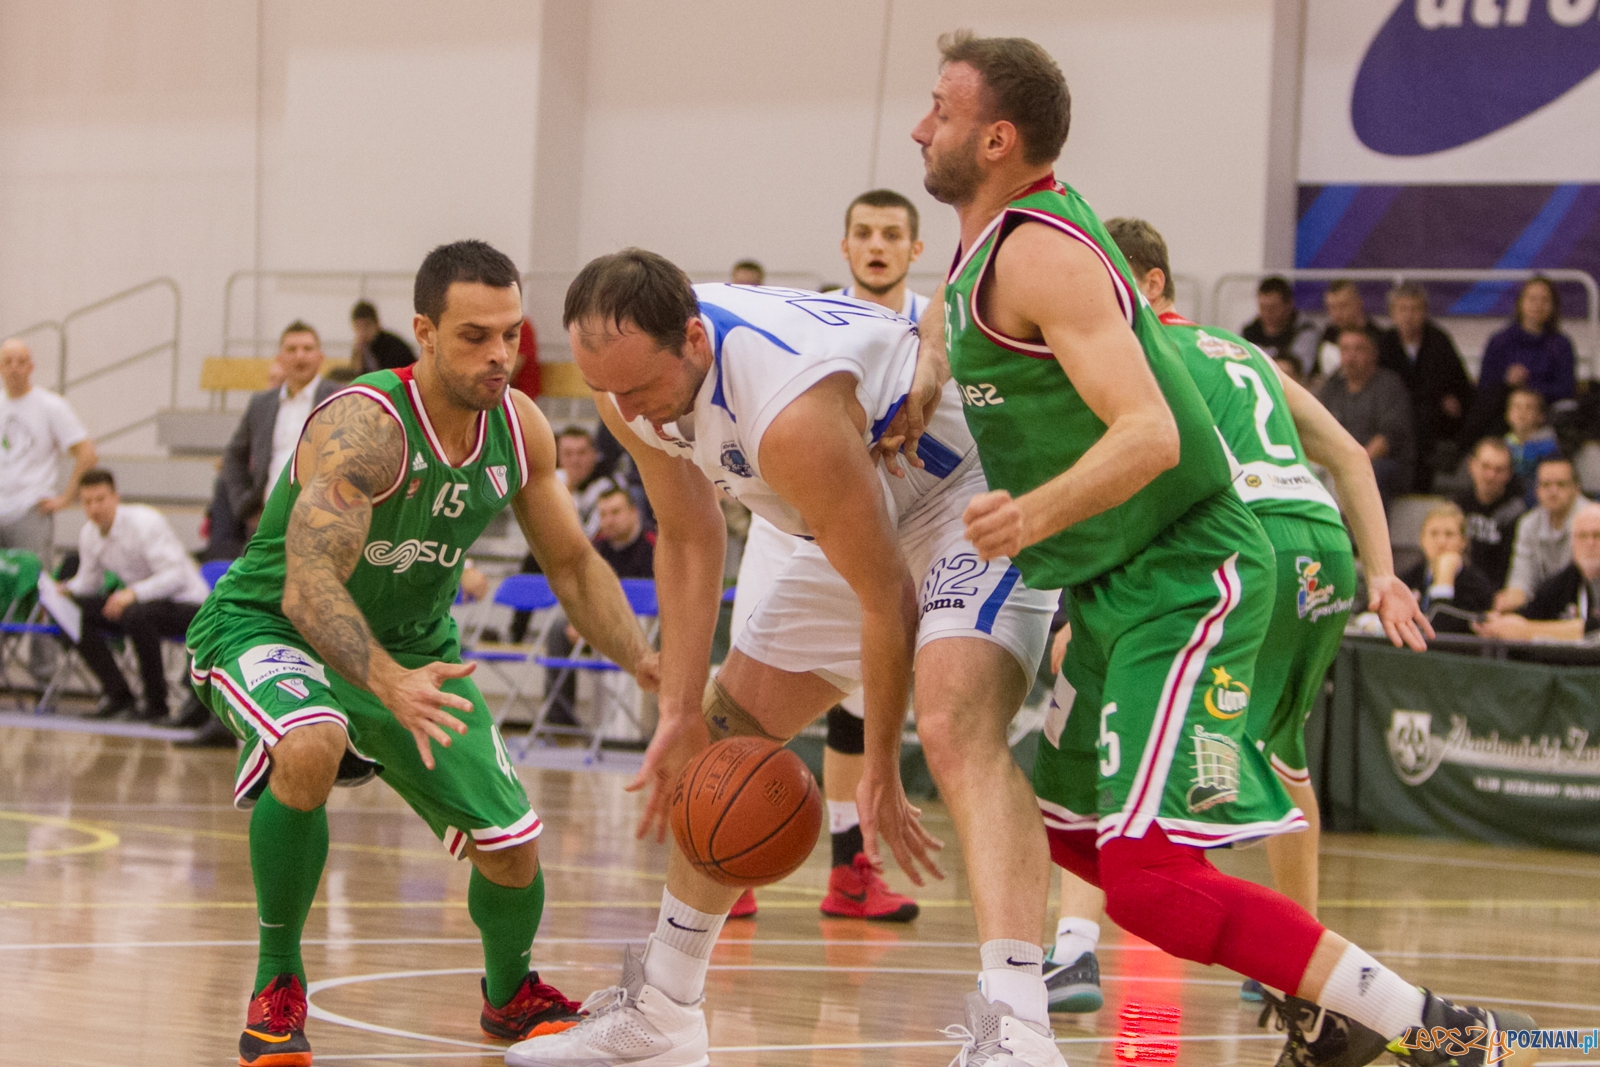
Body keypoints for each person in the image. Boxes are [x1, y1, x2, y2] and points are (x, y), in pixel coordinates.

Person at [897, 29, 1526, 1067]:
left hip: (1188, 573)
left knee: (1146, 877)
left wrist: (1034, 512)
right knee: (1058, 825)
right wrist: (923, 378)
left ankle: (1426, 1024)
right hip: (1114, 579)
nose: (922, 125)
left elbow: (1153, 431)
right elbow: (955, 325)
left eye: (941, 109)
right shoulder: (984, 247)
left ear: (995, 138)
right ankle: (1330, 1005)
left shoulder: (1044, 250)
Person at [505, 250, 1058, 1067]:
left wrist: (879, 769)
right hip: (846, 513)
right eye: (606, 389)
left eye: (638, 388)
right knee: (724, 746)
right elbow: (691, 538)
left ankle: (1020, 1030)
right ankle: (664, 1012)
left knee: (952, 724)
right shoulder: (628, 385)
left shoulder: (785, 406)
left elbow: (886, 600)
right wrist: (680, 708)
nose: (624, 411)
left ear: (694, 339)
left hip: (969, 499)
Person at [183, 240, 658, 1067]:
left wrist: (653, 667)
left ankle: (510, 997)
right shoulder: (364, 425)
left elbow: (575, 565)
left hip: (415, 646)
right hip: (272, 624)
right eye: (476, 335)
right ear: (425, 332)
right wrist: (386, 682)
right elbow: (307, 589)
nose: (500, 355)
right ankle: (276, 981)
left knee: (512, 845)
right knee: (312, 740)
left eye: (511, 333)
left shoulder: (520, 427)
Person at [1088, 216, 1407, 1007]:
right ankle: (1304, 955)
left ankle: (1080, 946)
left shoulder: (1142, 353)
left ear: (1149, 282)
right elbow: (1350, 453)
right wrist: (1386, 574)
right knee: (1281, 747)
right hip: (1323, 540)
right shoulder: (1248, 356)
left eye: (1101, 279)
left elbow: (1141, 471)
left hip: (1246, 540)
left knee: (1122, 719)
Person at [723, 187, 932, 924]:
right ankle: (727, 853)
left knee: (858, 701)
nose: (878, 245)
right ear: (844, 247)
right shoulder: (807, 321)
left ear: (916, 248)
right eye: (865, 233)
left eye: (892, 234)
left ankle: (850, 868)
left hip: (879, 533)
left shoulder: (931, 331)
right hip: (786, 535)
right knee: (745, 705)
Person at [55, 469, 211, 721]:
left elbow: (176, 576)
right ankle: (118, 694)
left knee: (137, 615)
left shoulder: (145, 522)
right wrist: (65, 590)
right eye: (87, 502)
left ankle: (156, 704)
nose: (94, 507)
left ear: (116, 497)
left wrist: (132, 593)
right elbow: (89, 582)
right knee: (70, 612)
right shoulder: (89, 534)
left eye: (100, 499)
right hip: (139, 604)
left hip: (188, 604)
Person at [0, 337, 97, 682]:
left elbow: (86, 453)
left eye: (21, 360)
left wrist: (65, 498)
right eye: (7, 360)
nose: (14, 367)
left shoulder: (49, 406)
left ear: (31, 367)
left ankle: (44, 676)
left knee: (39, 591)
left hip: (31, 510)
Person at [218, 321, 344, 542]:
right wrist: (244, 505)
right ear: (279, 358)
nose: (300, 356)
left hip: (321, 521)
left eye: (307, 349)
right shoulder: (261, 404)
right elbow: (234, 456)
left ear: (320, 357)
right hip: (268, 520)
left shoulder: (340, 398)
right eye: (291, 349)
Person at [541, 487, 656, 727]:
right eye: (603, 514)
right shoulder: (596, 548)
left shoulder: (653, 547)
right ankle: (559, 722)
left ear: (634, 513)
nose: (608, 521)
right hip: (600, 630)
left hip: (646, 632)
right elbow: (579, 593)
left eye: (615, 512)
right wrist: (580, 621)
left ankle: (653, 723)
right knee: (558, 630)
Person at [1376, 283, 1472, 492]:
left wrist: (1452, 399)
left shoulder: (1439, 341)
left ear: (1424, 312)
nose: (1409, 316)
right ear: (1392, 313)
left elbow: (1461, 386)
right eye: (1403, 309)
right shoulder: (1385, 344)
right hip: (1397, 421)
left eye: (1415, 309)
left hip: (1434, 423)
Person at [1317, 329, 1415, 507]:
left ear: (1373, 353)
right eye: (1345, 350)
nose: (1351, 356)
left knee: (1368, 474)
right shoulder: (1332, 386)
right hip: (1339, 461)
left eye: (1358, 349)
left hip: (1381, 462)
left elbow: (1388, 437)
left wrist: (1354, 464)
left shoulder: (1389, 385)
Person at [1477, 503, 1600, 641]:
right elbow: (1531, 614)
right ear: (1572, 542)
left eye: (1597, 535)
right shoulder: (1566, 580)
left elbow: (1595, 631)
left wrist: (1525, 631)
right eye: (1582, 536)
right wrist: (1499, 623)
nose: (1590, 543)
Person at [1496, 455, 1584, 612]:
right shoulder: (1528, 524)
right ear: (1537, 491)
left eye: (1561, 484)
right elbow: (1520, 580)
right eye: (1546, 485)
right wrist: (1511, 599)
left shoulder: (1592, 520)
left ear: (1576, 488)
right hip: (1542, 607)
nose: (1553, 491)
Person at [1476, 276, 1576, 411]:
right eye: (1532, 299)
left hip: (1546, 413)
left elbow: (1565, 389)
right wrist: (1506, 381)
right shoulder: (1499, 341)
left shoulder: (1561, 345)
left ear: (1553, 306)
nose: (1538, 305)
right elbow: (1485, 386)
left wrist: (1529, 387)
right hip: (1503, 412)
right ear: (1520, 303)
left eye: (1545, 300)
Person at [1401, 503, 1497, 634]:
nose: (1441, 542)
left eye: (1449, 534)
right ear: (1422, 539)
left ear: (1463, 542)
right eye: (1434, 534)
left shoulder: (1477, 586)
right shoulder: (1409, 578)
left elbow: (1440, 631)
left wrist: (1444, 578)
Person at [1452, 437, 1526, 588]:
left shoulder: (1519, 514)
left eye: (1499, 470)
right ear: (1471, 465)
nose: (1491, 475)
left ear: (1509, 474)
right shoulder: (1456, 508)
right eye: (1485, 467)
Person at [1241, 276, 1318, 378]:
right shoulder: (1249, 331)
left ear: (1289, 305)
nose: (1267, 313)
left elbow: (1298, 369)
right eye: (1262, 307)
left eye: (1273, 308)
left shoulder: (1305, 331)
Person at [1313, 279, 1383, 379]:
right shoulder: (1328, 334)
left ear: (1358, 303)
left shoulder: (1377, 337)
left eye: (1343, 305)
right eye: (1332, 307)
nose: (1337, 313)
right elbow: (1317, 372)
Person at [1503, 388, 1560, 505]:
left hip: (1536, 501)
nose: (1522, 412)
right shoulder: (1504, 444)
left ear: (1541, 416)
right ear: (1508, 414)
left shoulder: (1548, 446)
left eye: (1529, 407)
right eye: (1517, 407)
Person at [351, 299, 416, 372]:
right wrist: (358, 354)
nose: (362, 332)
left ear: (377, 324)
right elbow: (356, 374)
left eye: (367, 326)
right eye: (358, 327)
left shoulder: (392, 346)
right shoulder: (363, 347)